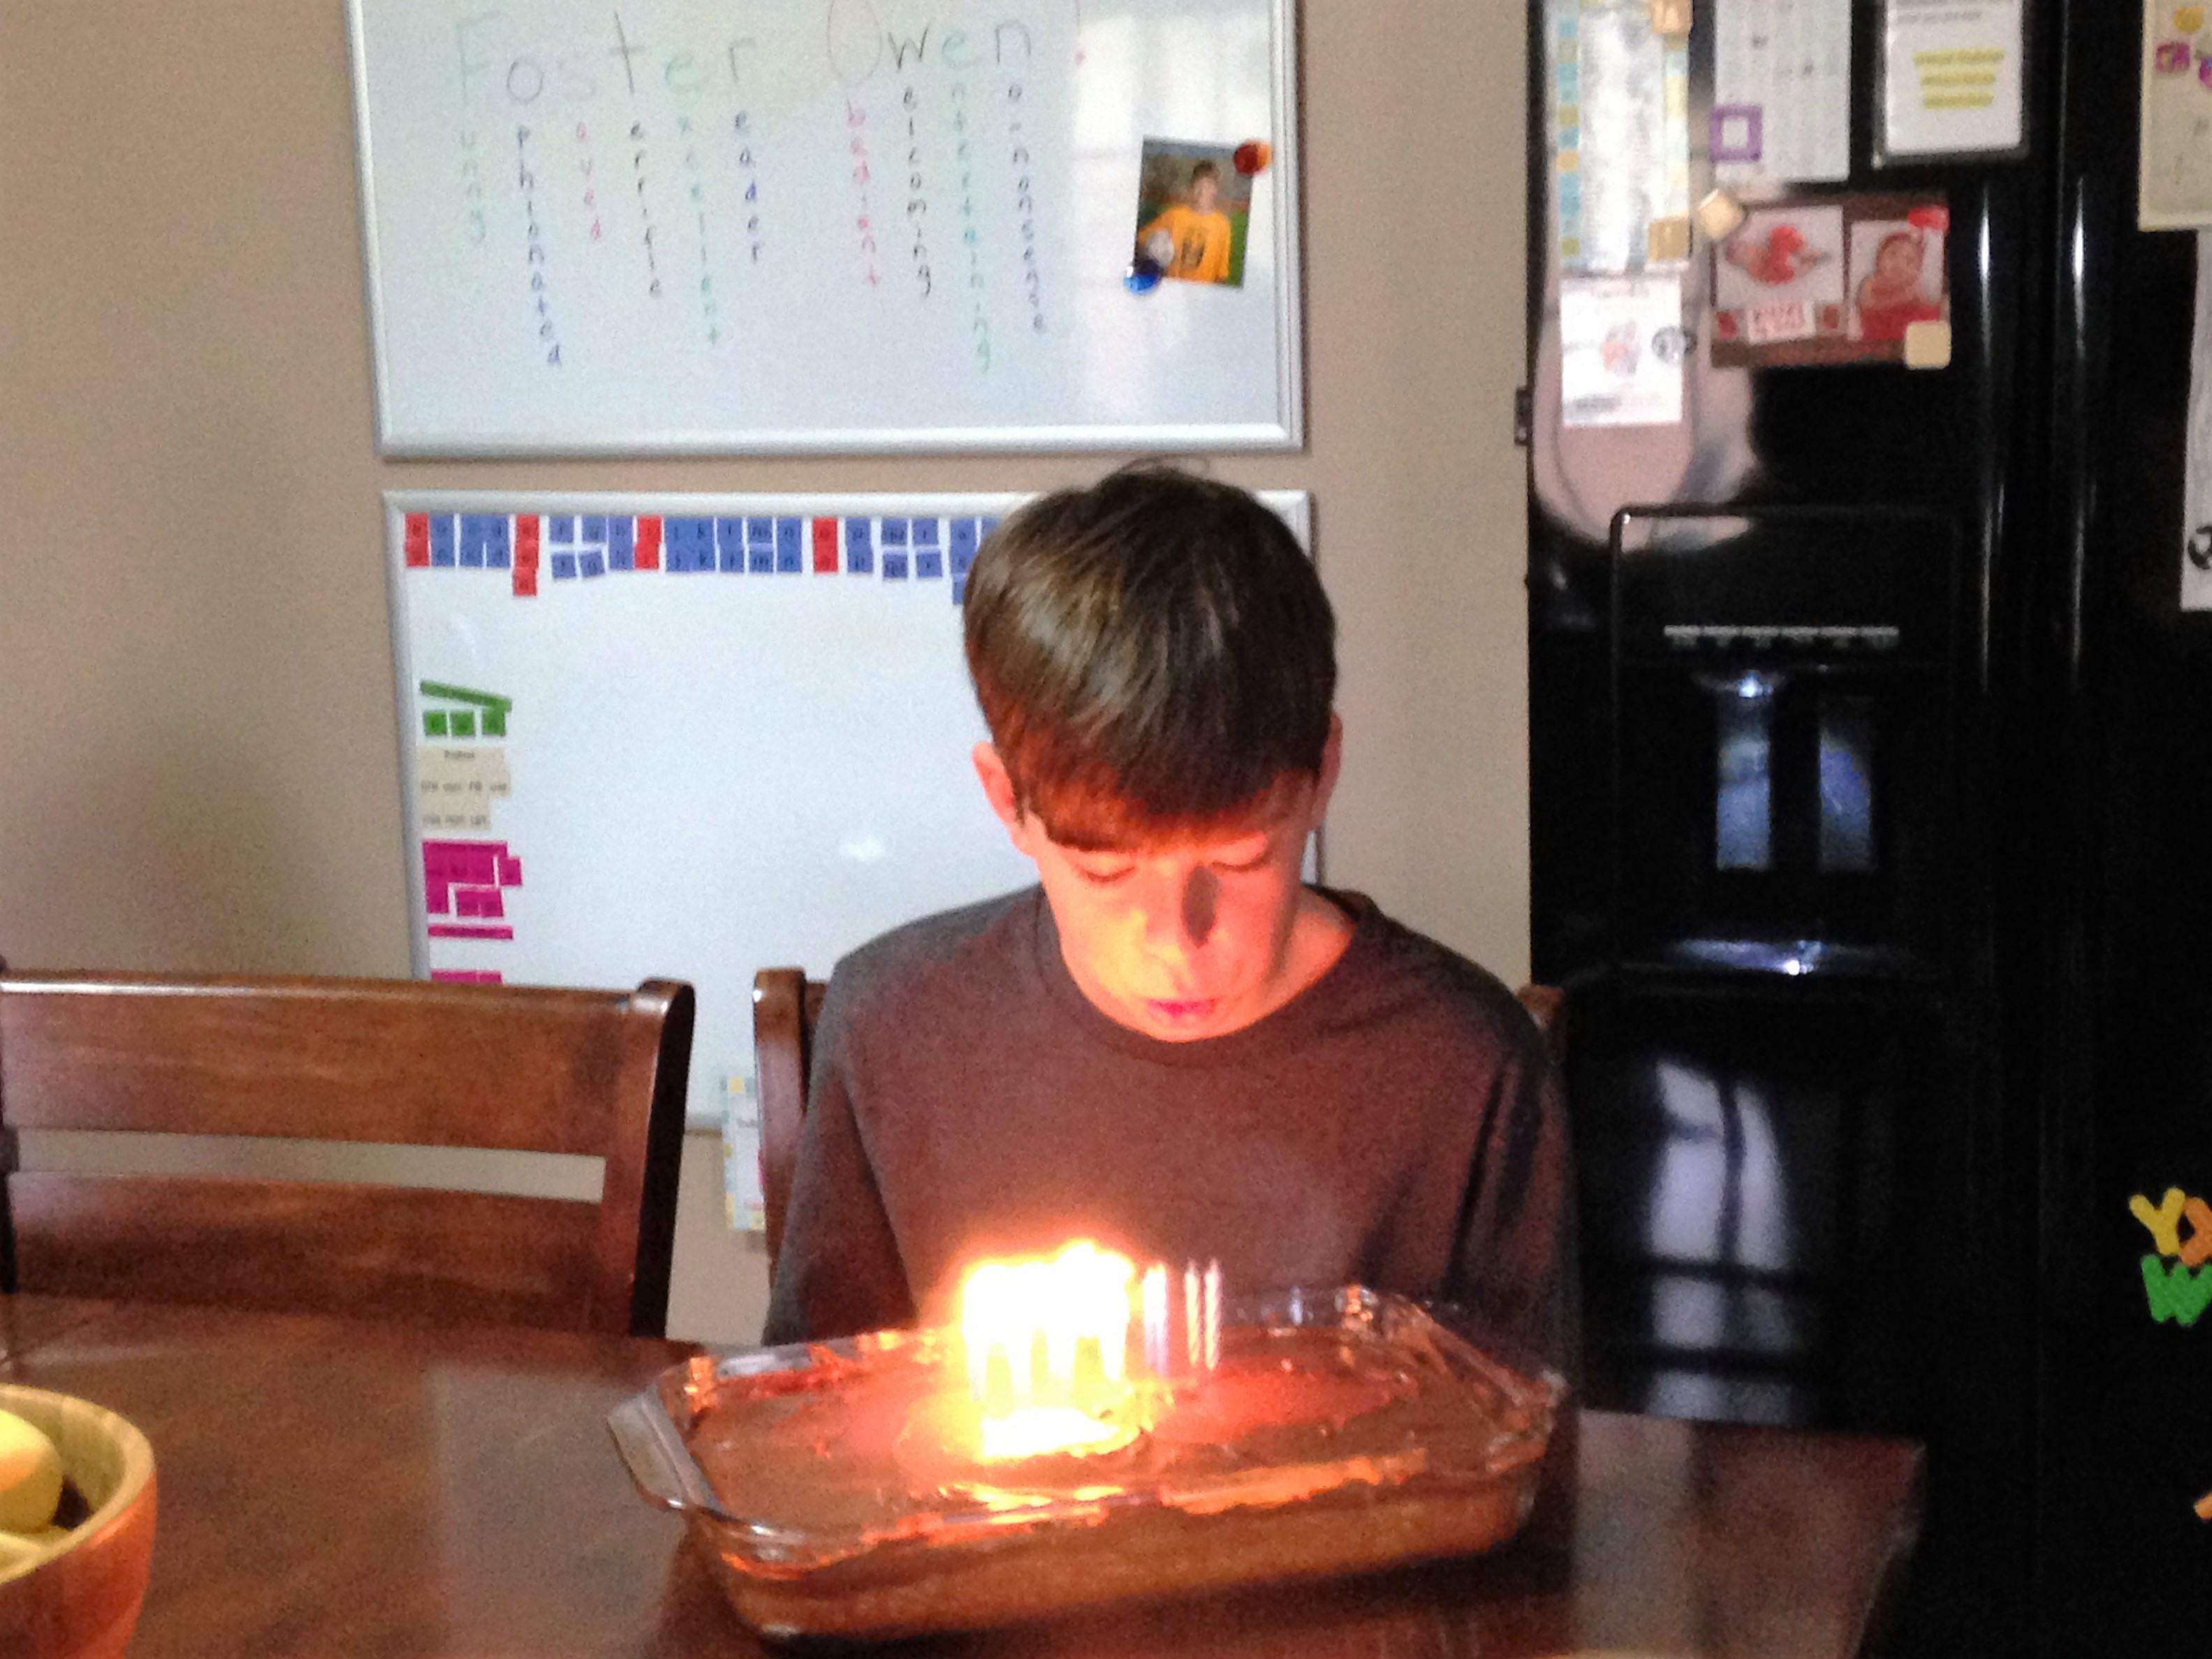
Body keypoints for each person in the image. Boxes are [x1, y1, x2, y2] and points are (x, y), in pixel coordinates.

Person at [761, 467, 1578, 1375]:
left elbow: (1524, 1431)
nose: (1175, 940)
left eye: (1238, 859)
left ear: (1320, 776)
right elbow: (809, 1407)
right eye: (1105, 871)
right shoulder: (896, 1026)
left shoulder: (1459, 1069)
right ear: (1006, 798)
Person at [1136, 161, 1234, 284]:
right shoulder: (1174, 216)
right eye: (1199, 184)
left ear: (1216, 189)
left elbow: (1221, 273)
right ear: (1192, 188)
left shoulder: (1222, 225)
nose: (1203, 191)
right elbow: (1141, 239)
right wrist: (1154, 257)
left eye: (1208, 185)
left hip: (1202, 292)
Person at [1853, 229, 1942, 342]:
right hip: (1879, 335)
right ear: (1878, 260)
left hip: (1909, 337)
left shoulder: (1914, 286)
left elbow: (1925, 303)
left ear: (1917, 272)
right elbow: (1868, 305)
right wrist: (1904, 297)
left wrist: (1924, 300)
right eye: (1893, 254)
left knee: (1929, 314)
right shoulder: (1871, 282)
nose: (1899, 263)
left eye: (1909, 261)